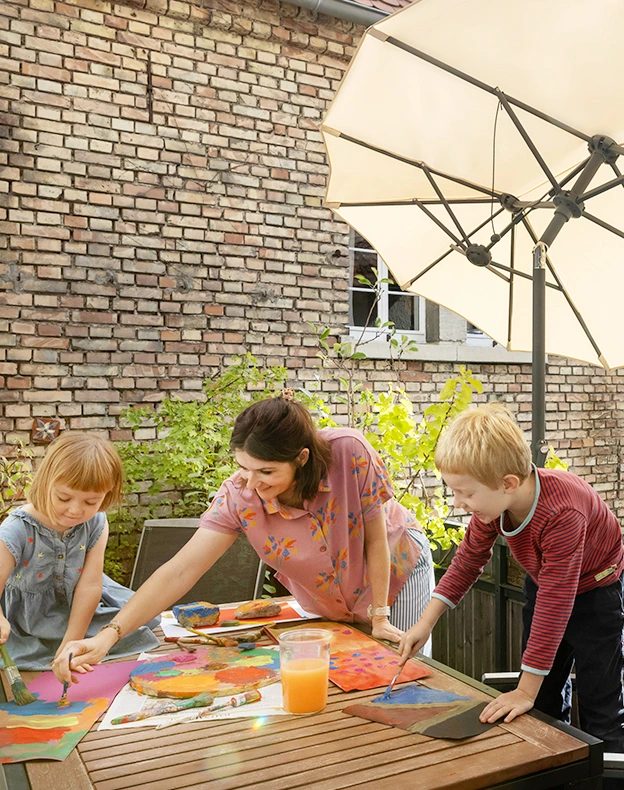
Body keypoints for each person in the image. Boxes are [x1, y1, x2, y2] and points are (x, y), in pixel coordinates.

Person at [52, 391, 434, 683]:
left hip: (396, 573)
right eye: (243, 467)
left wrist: (379, 615)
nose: (252, 483)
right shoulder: (238, 496)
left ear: (301, 458)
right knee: (348, 682)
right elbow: (180, 570)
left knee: (402, 674)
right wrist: (108, 637)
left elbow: (375, 540)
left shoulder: (349, 452)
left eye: (266, 472)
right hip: (330, 600)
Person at [398, 402, 624, 751]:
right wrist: (424, 624)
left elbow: (555, 604)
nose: (458, 503)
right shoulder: (492, 507)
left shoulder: (563, 511)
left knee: (601, 706)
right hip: (545, 584)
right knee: (542, 702)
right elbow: (467, 561)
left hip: (597, 595)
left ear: (508, 483)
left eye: (466, 493)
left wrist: (523, 691)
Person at [0, 433, 160, 671]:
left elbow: (90, 587)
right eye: (64, 497)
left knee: (135, 620)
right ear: (46, 483)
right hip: (27, 621)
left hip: (80, 609)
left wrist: (72, 644)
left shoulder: (96, 523)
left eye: (91, 502)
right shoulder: (16, 529)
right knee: (26, 655)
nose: (75, 510)